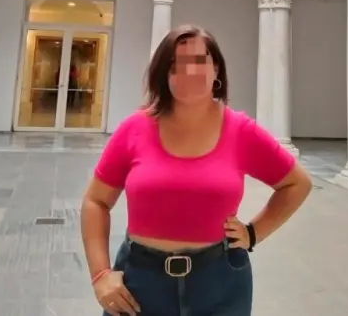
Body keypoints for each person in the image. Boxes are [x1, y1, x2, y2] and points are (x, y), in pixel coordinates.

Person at [80, 24, 313, 316]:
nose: (189, 71)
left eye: (200, 61)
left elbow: (297, 183)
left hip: (219, 283)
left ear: (216, 69)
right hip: (139, 284)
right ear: (164, 74)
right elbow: (96, 201)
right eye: (176, 63)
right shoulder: (134, 128)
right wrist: (100, 275)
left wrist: (254, 233)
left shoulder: (241, 131)